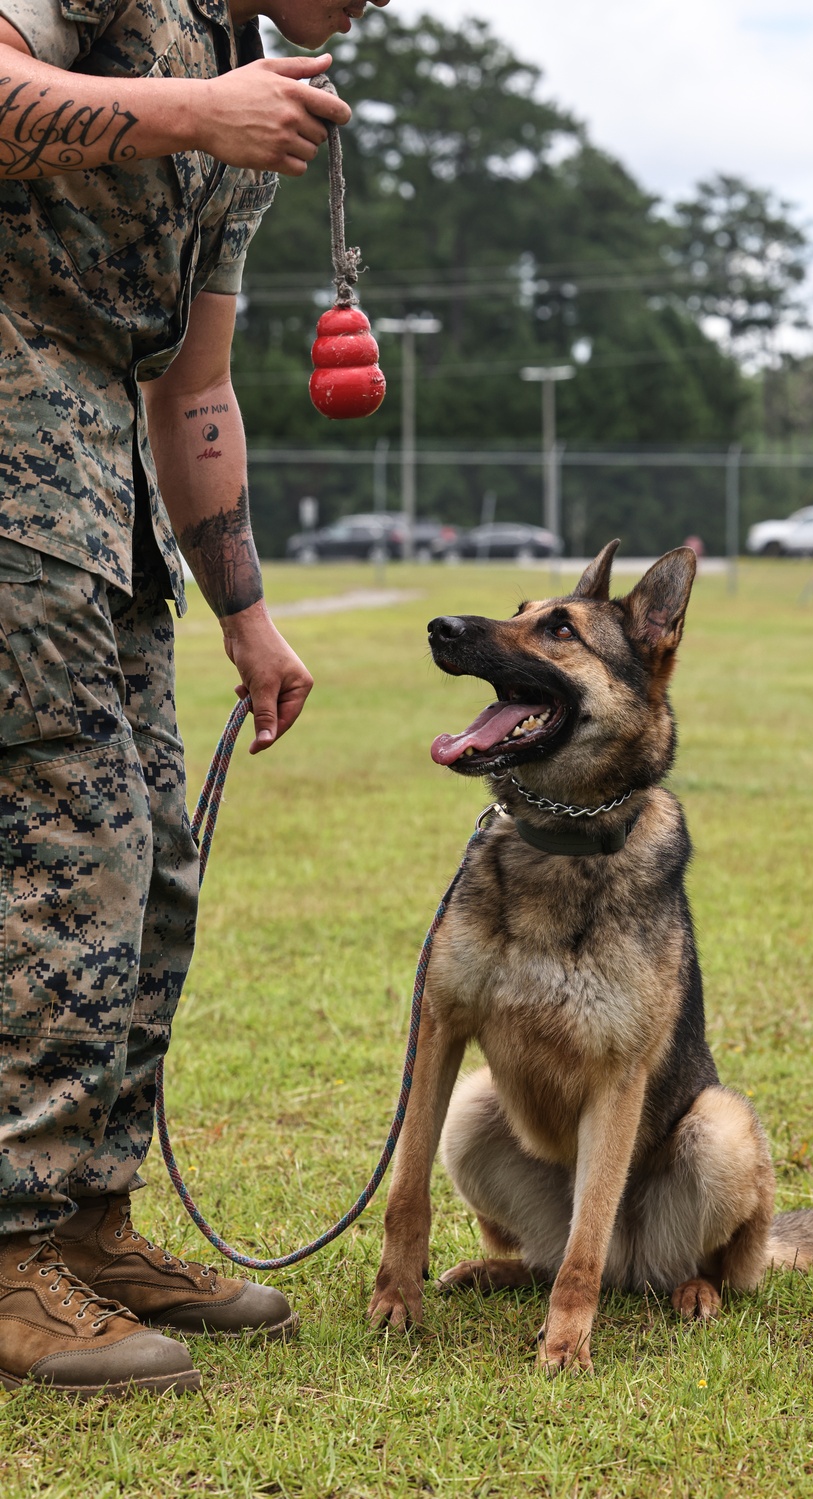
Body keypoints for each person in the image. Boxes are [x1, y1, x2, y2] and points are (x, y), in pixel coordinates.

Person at [0, 0, 389, 1397]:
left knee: (153, 858)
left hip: (103, 489)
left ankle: (87, 1224)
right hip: (7, 444)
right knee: (69, 861)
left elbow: (198, 383)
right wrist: (197, 113)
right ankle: (7, 1251)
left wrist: (249, 615)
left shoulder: (254, 93)